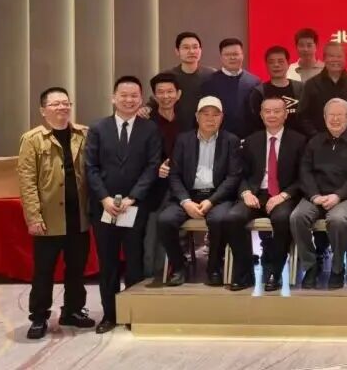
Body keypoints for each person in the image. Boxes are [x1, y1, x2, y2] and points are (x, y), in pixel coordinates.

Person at [84, 76, 162, 333]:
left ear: (141, 99)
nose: (129, 100)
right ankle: (109, 314)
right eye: (124, 95)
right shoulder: (98, 128)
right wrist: (104, 198)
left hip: (134, 206)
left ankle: (132, 312)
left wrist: (133, 197)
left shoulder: (150, 129)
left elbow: (152, 166)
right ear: (113, 98)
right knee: (108, 263)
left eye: (134, 96)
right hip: (104, 207)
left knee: (134, 261)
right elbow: (91, 167)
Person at [17, 87, 95, 339]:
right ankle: (39, 316)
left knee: (76, 269)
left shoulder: (83, 134)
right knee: (44, 271)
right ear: (43, 110)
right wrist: (33, 217)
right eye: (55, 104)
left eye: (65, 103)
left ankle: (72, 310)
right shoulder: (32, 139)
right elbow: (27, 181)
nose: (62, 107)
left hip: (78, 217)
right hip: (49, 219)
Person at [159, 96, 243, 288]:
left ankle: (214, 267)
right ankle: (179, 266)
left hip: (218, 196)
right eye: (205, 114)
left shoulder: (231, 141)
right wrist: (185, 201)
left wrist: (212, 201)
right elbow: (174, 175)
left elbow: (233, 177)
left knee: (220, 219)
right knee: (165, 221)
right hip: (188, 195)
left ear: (222, 117)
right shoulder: (183, 140)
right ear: (197, 117)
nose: (210, 119)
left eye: (215, 115)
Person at [227, 95, 307, 292]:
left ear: (286, 114)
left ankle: (274, 272)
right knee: (233, 217)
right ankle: (244, 272)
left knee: (281, 219)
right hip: (256, 193)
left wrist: (283, 196)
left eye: (277, 111)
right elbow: (240, 174)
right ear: (261, 115)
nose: (272, 115)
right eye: (267, 111)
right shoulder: (251, 141)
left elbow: (303, 177)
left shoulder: (299, 141)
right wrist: (246, 192)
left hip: (283, 194)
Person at [290, 98, 347, 290]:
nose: (335, 119)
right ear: (324, 117)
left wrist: (338, 196)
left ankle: (337, 268)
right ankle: (311, 265)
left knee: (338, 220)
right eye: (331, 115)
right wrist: (314, 195)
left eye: (340, 115)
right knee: (297, 217)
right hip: (315, 196)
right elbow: (304, 171)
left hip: (344, 198)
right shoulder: (314, 142)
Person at [145, 73, 182, 283]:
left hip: (183, 186)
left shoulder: (188, 121)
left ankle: (174, 266)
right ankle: (153, 273)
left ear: (178, 94)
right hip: (155, 186)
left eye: (170, 91)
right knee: (153, 230)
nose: (166, 96)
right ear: (154, 95)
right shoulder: (146, 122)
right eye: (161, 92)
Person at [297, 42, 347, 136]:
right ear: (324, 58)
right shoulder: (311, 84)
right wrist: (316, 136)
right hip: (319, 140)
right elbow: (303, 115)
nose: (335, 60)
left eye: (339, 56)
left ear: (345, 59)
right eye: (331, 56)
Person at [152, 32, 215, 130]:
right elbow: (156, 100)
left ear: (200, 50)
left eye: (195, 47)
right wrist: (146, 109)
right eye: (186, 48)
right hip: (175, 130)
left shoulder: (211, 75)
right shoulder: (167, 76)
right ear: (177, 51)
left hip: (205, 130)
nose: (192, 51)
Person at [201, 37, 262, 137]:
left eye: (236, 54)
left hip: (248, 139)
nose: (232, 58)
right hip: (219, 138)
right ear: (221, 57)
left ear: (242, 55)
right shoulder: (209, 82)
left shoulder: (254, 82)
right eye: (227, 55)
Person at [248, 45, 304, 135]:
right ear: (266, 65)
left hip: (299, 140)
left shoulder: (301, 88)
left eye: (280, 61)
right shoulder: (259, 92)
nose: (276, 65)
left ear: (288, 64)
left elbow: (307, 118)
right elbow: (255, 124)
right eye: (271, 62)